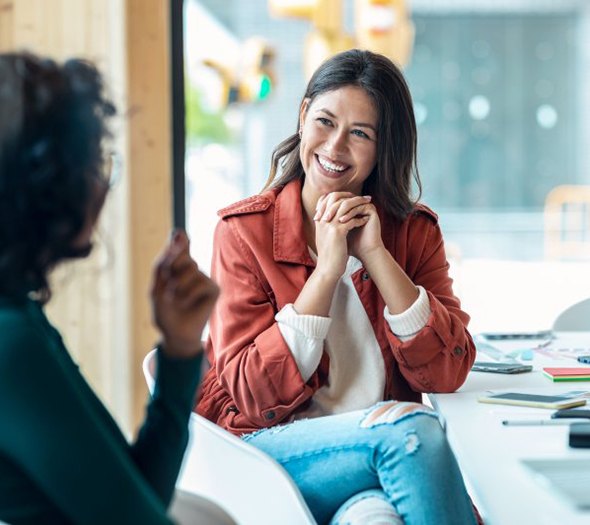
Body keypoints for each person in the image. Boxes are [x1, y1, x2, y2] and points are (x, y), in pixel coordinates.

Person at [197, 49, 481, 525]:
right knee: (414, 432)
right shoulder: (243, 232)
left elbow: (446, 373)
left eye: (360, 134)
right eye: (325, 122)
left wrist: (375, 255)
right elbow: (251, 395)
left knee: (373, 517)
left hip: (372, 462)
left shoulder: (414, 233)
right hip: (272, 453)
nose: (334, 147)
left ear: (383, 146)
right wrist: (326, 273)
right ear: (304, 115)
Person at [0, 52, 229, 525]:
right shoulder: (12, 342)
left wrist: (181, 351)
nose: (105, 186)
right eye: (97, 164)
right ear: (48, 188)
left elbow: (141, 493)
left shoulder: (19, 317)